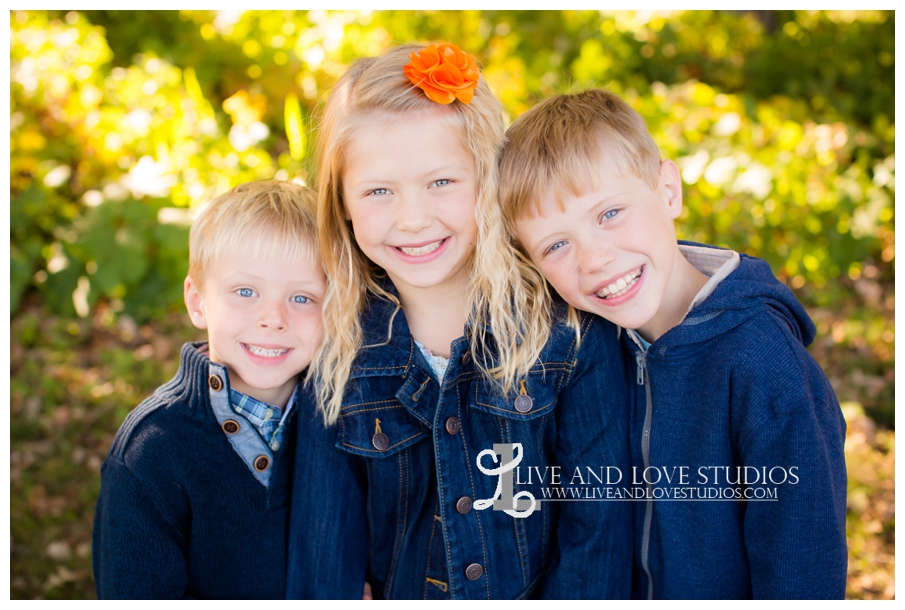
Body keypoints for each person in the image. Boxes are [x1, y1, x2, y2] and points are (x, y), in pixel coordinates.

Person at [287, 43, 632, 599]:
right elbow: (324, 553)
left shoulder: (567, 335)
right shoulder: (338, 354)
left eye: (441, 182)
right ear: (343, 203)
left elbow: (598, 536)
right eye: (378, 191)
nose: (414, 218)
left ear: (488, 178)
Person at [499, 88, 848, 599]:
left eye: (610, 213)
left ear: (667, 191)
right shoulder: (585, 348)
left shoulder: (764, 364)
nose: (594, 258)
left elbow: (802, 567)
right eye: (556, 245)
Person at [92, 180, 326, 599]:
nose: (273, 319)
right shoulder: (151, 454)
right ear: (198, 301)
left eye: (303, 298)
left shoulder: (345, 422)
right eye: (245, 291)